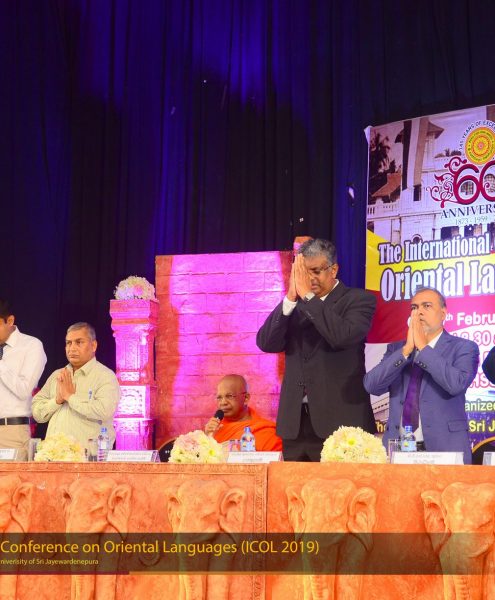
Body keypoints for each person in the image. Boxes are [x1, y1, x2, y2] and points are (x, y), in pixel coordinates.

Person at [256, 238, 376, 461]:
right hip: (295, 426)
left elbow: (342, 336)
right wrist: (290, 298)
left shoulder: (358, 300)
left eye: (315, 271)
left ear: (333, 270)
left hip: (342, 426)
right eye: (303, 272)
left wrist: (308, 298)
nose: (309, 279)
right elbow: (266, 343)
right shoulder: (294, 305)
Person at [364, 287, 479, 464]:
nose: (419, 312)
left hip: (445, 449)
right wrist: (406, 351)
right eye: (414, 307)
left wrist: (423, 349)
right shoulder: (397, 349)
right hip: (399, 450)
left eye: (427, 306)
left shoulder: (463, 347)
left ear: (443, 313)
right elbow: (372, 385)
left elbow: (456, 384)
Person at [32, 322, 120, 450]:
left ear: (93, 345)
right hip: (54, 455)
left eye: (79, 342)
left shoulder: (105, 376)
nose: (72, 348)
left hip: (88, 457)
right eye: (69, 343)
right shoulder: (57, 375)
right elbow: (37, 413)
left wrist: (70, 397)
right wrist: (57, 401)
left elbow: (104, 411)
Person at [0, 299, 47, 460]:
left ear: (10, 320)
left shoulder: (31, 346)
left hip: (12, 431)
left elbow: (24, 390)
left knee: (11, 477)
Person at [204, 374, 282, 451]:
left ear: (246, 398)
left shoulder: (266, 432)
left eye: (229, 396)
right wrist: (207, 437)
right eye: (219, 397)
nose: (223, 402)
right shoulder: (216, 429)